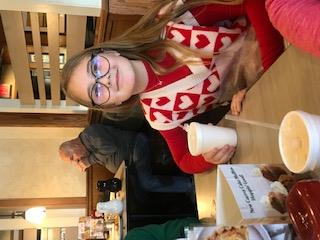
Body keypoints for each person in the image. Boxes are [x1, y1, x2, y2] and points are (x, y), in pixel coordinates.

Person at [61, 0, 284, 174]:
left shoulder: (173, 22)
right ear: (112, 104)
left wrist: (272, 72)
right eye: (97, 91)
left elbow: (251, 3)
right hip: (268, 94)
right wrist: (205, 158)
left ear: (109, 52)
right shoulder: (158, 115)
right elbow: (183, 161)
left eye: (96, 67)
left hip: (282, 27)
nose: (105, 79)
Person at [59, 123, 193, 193]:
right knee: (135, 189)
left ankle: (188, 185)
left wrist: (88, 161)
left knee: (146, 184)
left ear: (73, 144)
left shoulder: (91, 134)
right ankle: (183, 182)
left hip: (136, 145)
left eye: (72, 157)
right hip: (132, 157)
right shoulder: (88, 148)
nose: (76, 161)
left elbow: (110, 148)